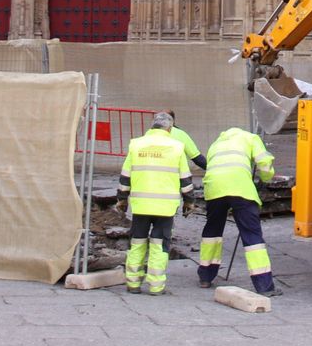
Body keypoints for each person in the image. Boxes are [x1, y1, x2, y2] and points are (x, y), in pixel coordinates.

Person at [196, 126, 278, 296]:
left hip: (214, 188)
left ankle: (205, 276)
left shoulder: (215, 144)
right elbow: (264, 163)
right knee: (252, 235)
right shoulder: (251, 138)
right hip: (240, 188)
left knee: (212, 232)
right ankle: (264, 285)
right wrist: (266, 178)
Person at [118, 112, 193, 295]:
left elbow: (125, 175)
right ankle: (156, 286)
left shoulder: (136, 144)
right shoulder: (176, 147)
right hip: (165, 207)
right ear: (169, 128)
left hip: (141, 204)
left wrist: (122, 199)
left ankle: (133, 283)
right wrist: (189, 202)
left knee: (137, 242)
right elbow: (185, 179)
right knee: (159, 244)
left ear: (152, 126)